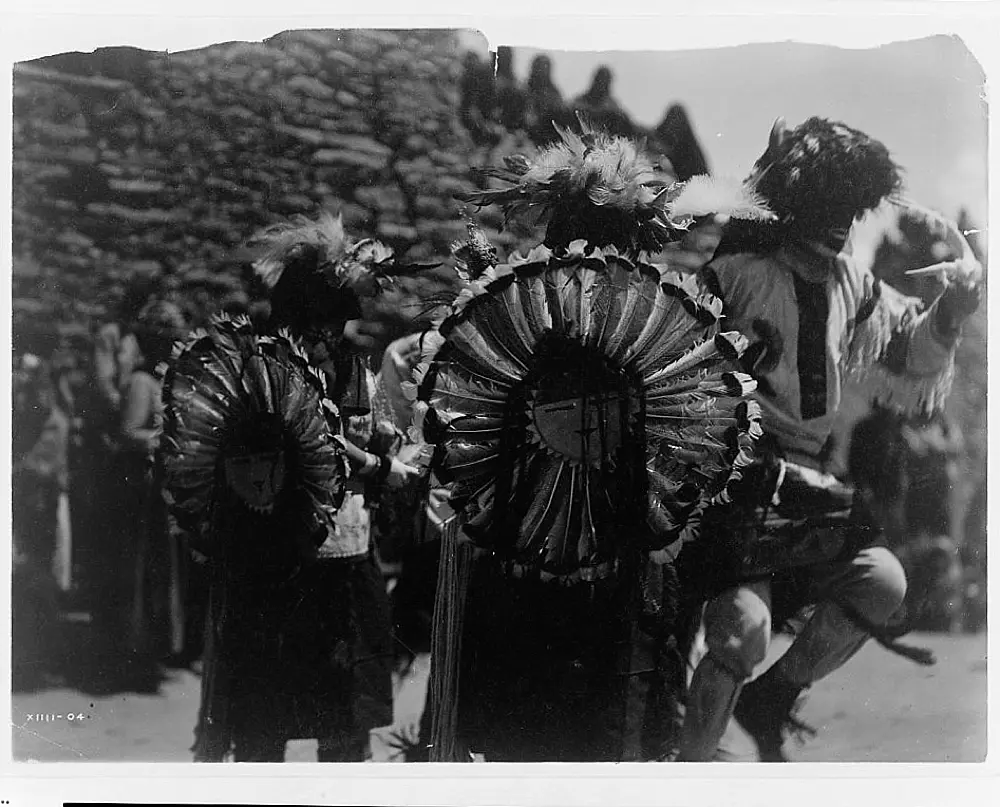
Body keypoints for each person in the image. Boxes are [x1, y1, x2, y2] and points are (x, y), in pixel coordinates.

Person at [676, 117, 982, 761]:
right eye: (830, 206)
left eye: (852, 208)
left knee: (882, 584)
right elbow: (672, 362)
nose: (842, 223)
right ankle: (688, 773)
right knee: (742, 635)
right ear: (800, 205)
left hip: (810, 492)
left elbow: (910, 352)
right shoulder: (736, 275)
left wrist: (953, 306)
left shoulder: (853, 285)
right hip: (735, 487)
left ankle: (772, 699)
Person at [166, 212, 422, 762]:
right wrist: (382, 468)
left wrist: (385, 446)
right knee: (266, 719)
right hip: (282, 566)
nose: (338, 330)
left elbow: (362, 433)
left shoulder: (351, 368)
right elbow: (320, 443)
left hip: (346, 561)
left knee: (344, 722)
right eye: (329, 318)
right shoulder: (263, 370)